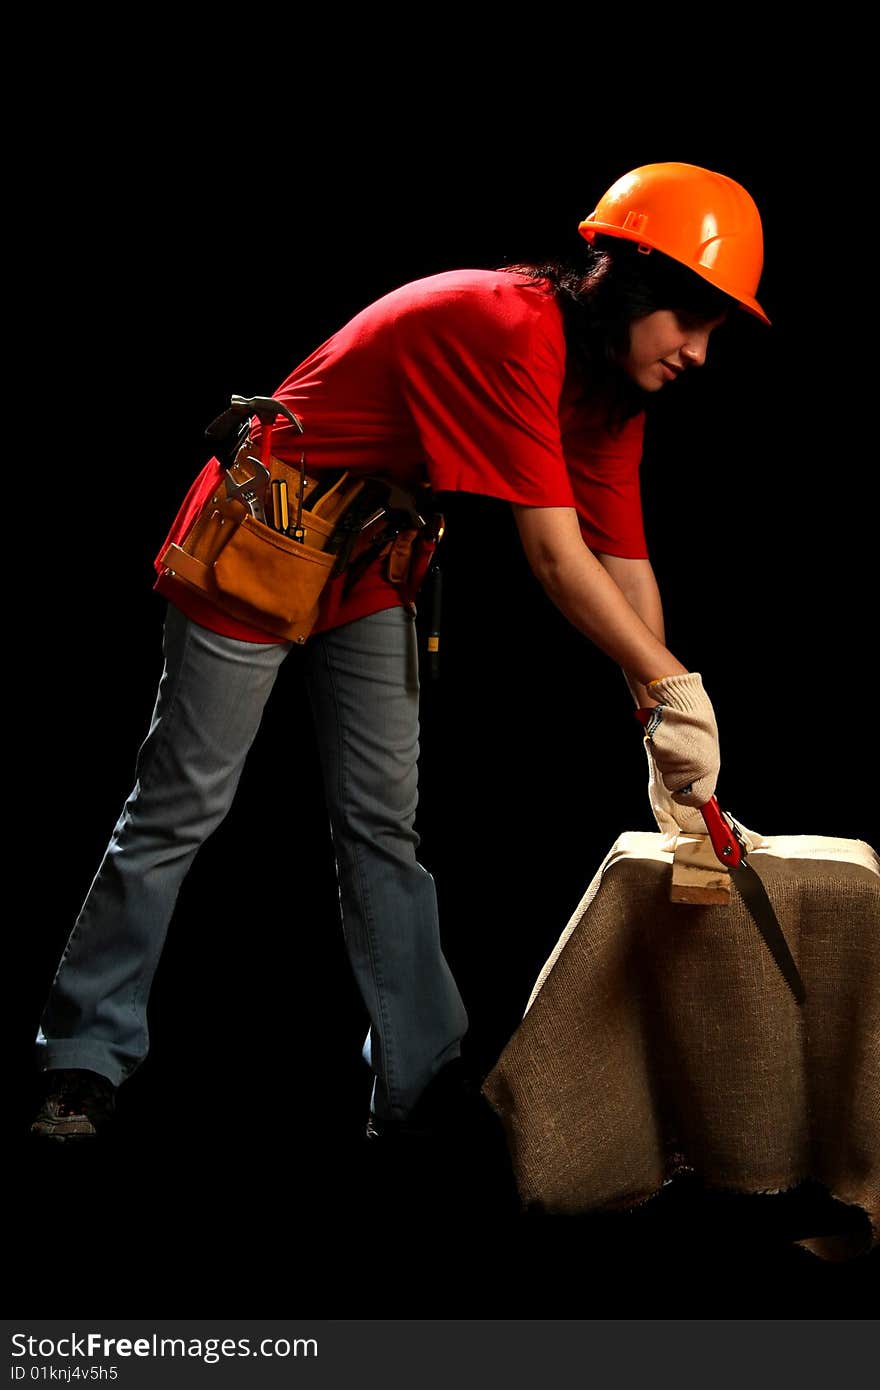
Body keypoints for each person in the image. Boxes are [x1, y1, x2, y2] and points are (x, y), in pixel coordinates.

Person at [30, 162, 769, 1143]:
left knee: (382, 820)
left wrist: (663, 712)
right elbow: (554, 557)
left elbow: (620, 560)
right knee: (181, 801)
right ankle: (82, 1057)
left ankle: (421, 1084)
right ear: (632, 285)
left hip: (374, 553)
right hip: (270, 528)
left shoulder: (602, 391)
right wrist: (668, 680)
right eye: (692, 319)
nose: (698, 352)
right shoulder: (512, 330)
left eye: (714, 331)